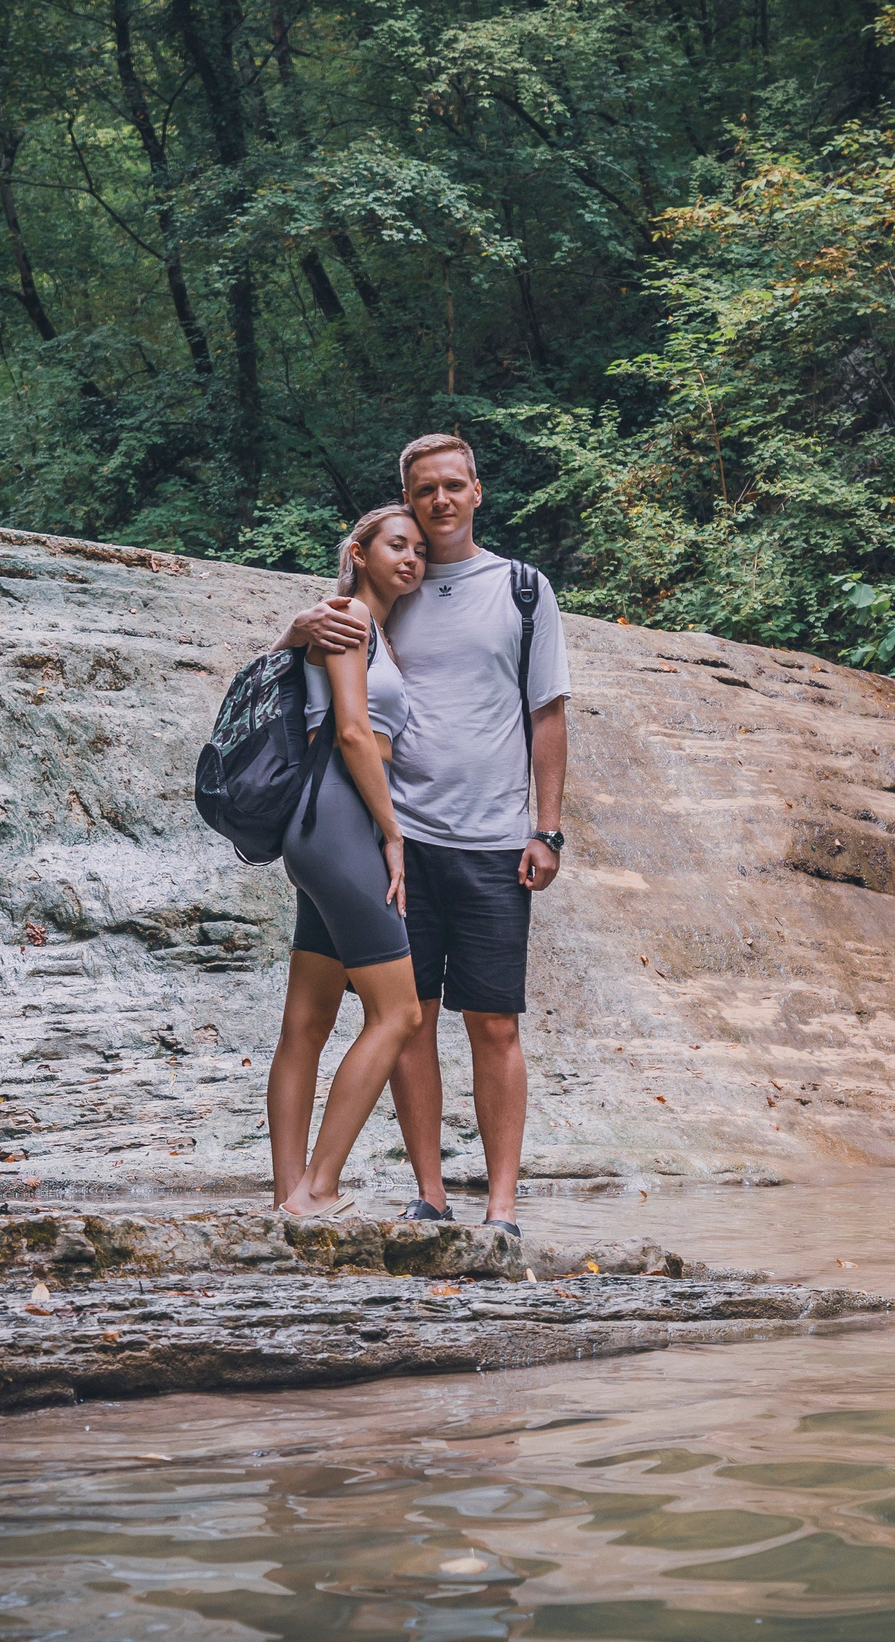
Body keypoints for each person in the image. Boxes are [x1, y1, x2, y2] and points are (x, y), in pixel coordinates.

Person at [279, 433, 570, 1238]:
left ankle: (503, 1205)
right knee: (414, 1014)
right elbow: (326, 671)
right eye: (423, 492)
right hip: (398, 837)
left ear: (477, 491)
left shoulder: (520, 588)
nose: (439, 502)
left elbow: (548, 711)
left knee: (496, 1022)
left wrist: (547, 828)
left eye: (453, 486)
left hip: (493, 840)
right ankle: (430, 1192)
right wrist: (297, 629)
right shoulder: (391, 583)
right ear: (405, 504)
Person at [264, 505, 431, 1219]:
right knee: (399, 1014)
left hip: (316, 822)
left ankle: (287, 1197)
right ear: (358, 552)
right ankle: (320, 1186)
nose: (412, 558)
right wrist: (391, 832)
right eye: (397, 545)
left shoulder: (364, 626)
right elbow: (356, 733)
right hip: (342, 815)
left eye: (420, 550)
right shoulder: (348, 620)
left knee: (307, 1018)